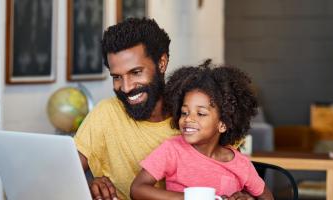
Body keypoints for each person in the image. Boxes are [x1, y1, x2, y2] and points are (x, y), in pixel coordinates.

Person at [130, 60, 274, 200]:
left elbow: (267, 196)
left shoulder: (240, 164)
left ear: (223, 124)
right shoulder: (172, 150)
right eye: (184, 112)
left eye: (201, 114)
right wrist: (189, 198)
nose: (188, 119)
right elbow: (137, 189)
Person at [73, 18, 179, 200]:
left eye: (136, 72)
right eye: (116, 77)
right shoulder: (107, 113)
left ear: (162, 63)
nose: (127, 87)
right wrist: (88, 186)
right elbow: (62, 175)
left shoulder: (194, 118)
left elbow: (231, 174)